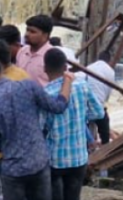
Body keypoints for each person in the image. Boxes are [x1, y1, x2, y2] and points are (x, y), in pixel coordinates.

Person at [0, 52, 73, 200]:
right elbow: (58, 107)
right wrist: (67, 81)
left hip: (13, 168)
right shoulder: (28, 86)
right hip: (38, 161)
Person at [45, 48, 105, 200]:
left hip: (54, 159)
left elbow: (41, 126)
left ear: (45, 69)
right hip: (78, 157)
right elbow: (99, 113)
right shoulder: (82, 86)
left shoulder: (45, 93)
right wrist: (81, 116)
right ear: (66, 67)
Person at [82, 51, 116, 144]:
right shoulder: (111, 71)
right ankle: (105, 144)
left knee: (86, 124)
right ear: (109, 60)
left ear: (98, 58)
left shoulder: (89, 67)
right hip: (98, 105)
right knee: (104, 124)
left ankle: (88, 143)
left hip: (85, 104)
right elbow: (108, 92)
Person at [15, 14, 56, 85]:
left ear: (45, 35)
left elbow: (58, 84)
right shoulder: (22, 51)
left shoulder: (53, 56)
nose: (27, 34)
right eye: (27, 30)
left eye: (32, 32)